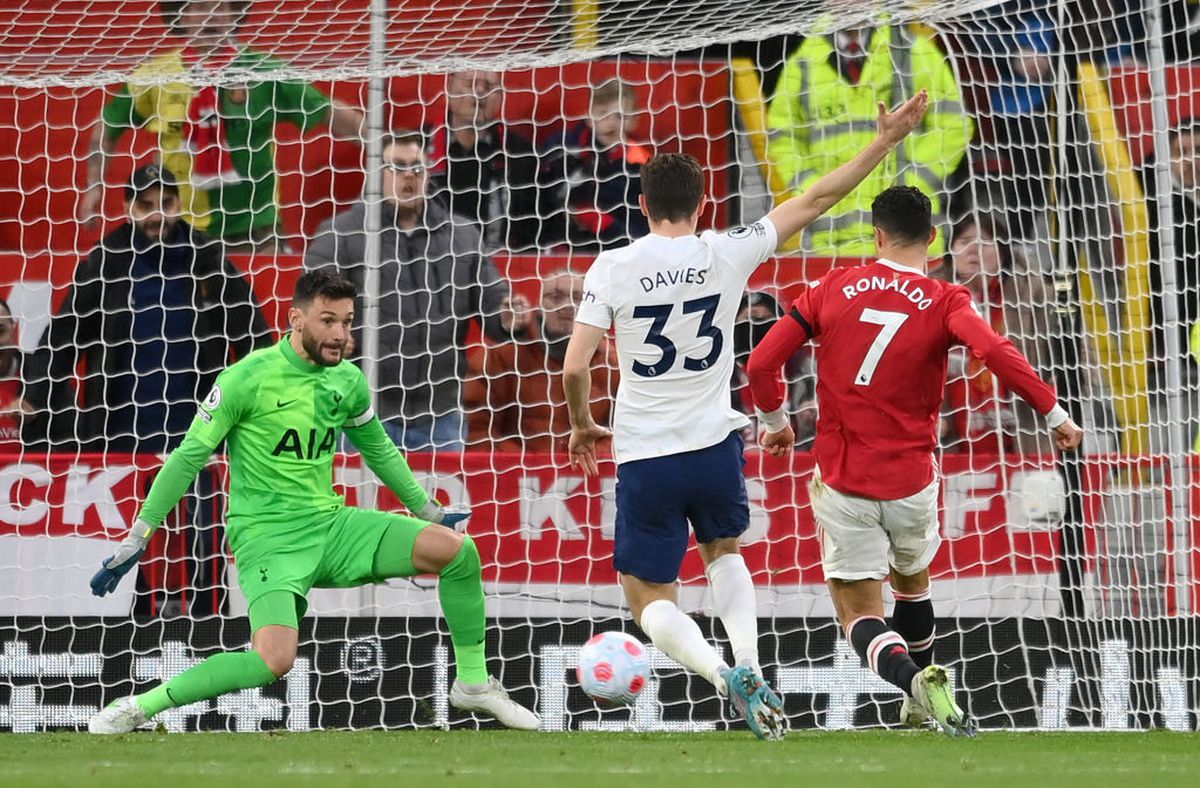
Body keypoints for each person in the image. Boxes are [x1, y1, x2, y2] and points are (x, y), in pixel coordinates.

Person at [563, 90, 932, 741]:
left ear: (643, 205)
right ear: (702, 204)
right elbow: (816, 198)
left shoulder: (613, 266)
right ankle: (753, 666)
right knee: (724, 551)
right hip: (714, 445)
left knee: (646, 592)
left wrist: (579, 423)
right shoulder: (725, 249)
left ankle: (718, 675)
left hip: (646, 453)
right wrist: (884, 140)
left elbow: (574, 367)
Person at [86, 269, 539, 734]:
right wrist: (140, 535)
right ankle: (141, 706)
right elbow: (187, 459)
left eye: (347, 322)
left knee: (457, 551)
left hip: (332, 526)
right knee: (273, 659)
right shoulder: (247, 379)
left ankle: (473, 684)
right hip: (268, 539)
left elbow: (379, 448)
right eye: (328, 321)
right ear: (295, 319)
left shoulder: (346, 380)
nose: (341, 334)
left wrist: (429, 511)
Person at [745, 185, 1083, 737]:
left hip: (843, 479)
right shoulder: (948, 299)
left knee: (860, 616)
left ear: (876, 235)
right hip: (914, 480)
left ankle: (913, 682)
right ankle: (924, 700)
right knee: (913, 586)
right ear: (933, 238)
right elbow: (996, 351)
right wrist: (1055, 415)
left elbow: (761, 362)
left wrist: (778, 425)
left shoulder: (832, 285)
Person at [79, 0, 364, 252]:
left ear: (235, 15)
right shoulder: (155, 76)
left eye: (221, 6)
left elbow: (328, 110)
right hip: (180, 231)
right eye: (201, 7)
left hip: (256, 232)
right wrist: (94, 185)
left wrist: (383, 146)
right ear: (181, 14)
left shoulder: (263, 71)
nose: (211, 16)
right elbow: (107, 125)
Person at [23, 165, 271, 453]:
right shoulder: (106, 262)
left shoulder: (209, 260)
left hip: (200, 444)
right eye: (145, 206)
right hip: (117, 446)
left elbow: (254, 339)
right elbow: (63, 339)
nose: (157, 216)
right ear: (129, 208)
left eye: (166, 204)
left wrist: (264, 405)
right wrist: (34, 396)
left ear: (179, 204)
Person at [305, 131, 526, 451]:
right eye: (397, 166)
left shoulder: (461, 237)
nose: (409, 175)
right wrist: (331, 329)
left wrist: (507, 317)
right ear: (377, 173)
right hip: (360, 412)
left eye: (417, 167)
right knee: (358, 503)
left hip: (441, 414)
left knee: (441, 504)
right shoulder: (342, 233)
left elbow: (493, 302)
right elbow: (312, 300)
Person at [766, 26, 971, 257]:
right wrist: (813, 188)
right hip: (831, 237)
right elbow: (781, 137)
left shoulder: (913, 52)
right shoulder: (802, 62)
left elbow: (954, 125)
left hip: (905, 231)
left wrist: (913, 180)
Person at [464, 272, 618, 454]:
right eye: (556, 297)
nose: (567, 306)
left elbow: (627, 433)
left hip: (588, 472)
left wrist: (585, 457)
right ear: (540, 305)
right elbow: (479, 431)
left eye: (577, 298)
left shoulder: (612, 364)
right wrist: (531, 466)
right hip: (513, 473)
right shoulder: (500, 358)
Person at [942, 212, 1055, 455]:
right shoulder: (932, 298)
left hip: (1025, 434)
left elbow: (1070, 358)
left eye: (984, 241)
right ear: (950, 252)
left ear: (1003, 252)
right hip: (950, 439)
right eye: (964, 241)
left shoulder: (1034, 295)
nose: (973, 250)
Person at [426, 70, 541, 252]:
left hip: (500, 267)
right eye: (471, 82)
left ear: (501, 96)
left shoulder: (522, 153)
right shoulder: (417, 147)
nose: (480, 91)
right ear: (449, 88)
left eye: (489, 86)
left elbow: (534, 229)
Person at [539, 79, 651, 250]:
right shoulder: (562, 147)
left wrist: (609, 227)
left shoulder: (641, 163)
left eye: (620, 116)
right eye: (603, 113)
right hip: (566, 244)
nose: (611, 122)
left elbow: (642, 222)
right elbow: (551, 196)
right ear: (589, 117)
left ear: (634, 121)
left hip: (619, 247)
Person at [0, 297, 27, 450]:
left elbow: (70, 446)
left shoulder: (42, 378)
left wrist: (35, 420)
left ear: (13, 330)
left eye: (0, 331)